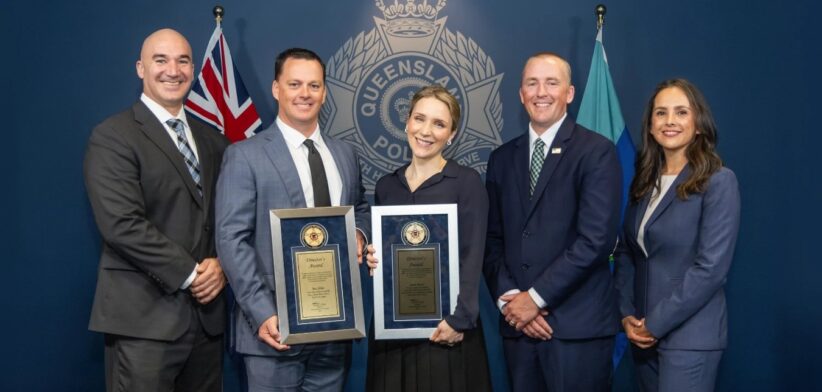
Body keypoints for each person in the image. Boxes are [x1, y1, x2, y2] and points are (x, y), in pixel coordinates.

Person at [215, 47, 370, 392]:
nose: (305, 94)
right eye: (295, 84)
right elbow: (231, 239)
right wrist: (262, 312)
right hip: (273, 329)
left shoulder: (345, 153)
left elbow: (359, 206)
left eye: (314, 86)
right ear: (276, 89)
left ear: (325, 92)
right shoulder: (244, 155)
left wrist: (358, 234)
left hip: (334, 329)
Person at [84, 28, 229, 392]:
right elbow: (121, 225)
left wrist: (222, 264)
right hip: (143, 323)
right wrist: (193, 274)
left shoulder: (213, 139)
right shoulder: (114, 136)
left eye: (182, 61)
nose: (172, 70)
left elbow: (227, 217)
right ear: (140, 68)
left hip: (207, 322)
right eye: (160, 60)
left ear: (193, 69)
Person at [483, 52, 622, 391]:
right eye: (532, 83)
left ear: (570, 93)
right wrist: (512, 301)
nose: (540, 92)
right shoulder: (502, 158)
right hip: (519, 330)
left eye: (551, 83)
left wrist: (536, 299)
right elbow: (491, 239)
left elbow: (596, 241)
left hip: (576, 331)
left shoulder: (596, 152)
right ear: (520, 94)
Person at [614, 79, 740, 392]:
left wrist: (655, 324)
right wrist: (627, 313)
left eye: (681, 112)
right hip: (642, 337)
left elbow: (711, 270)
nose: (670, 121)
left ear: (698, 124)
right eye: (661, 113)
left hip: (689, 339)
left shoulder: (719, 182)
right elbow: (629, 252)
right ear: (651, 125)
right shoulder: (644, 184)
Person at [364, 85, 492, 392]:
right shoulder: (386, 187)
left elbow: (473, 257)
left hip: (446, 329)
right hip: (392, 332)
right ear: (406, 122)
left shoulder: (466, 183)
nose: (426, 131)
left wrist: (460, 319)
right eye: (419, 119)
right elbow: (386, 255)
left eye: (439, 124)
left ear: (452, 134)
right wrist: (374, 258)